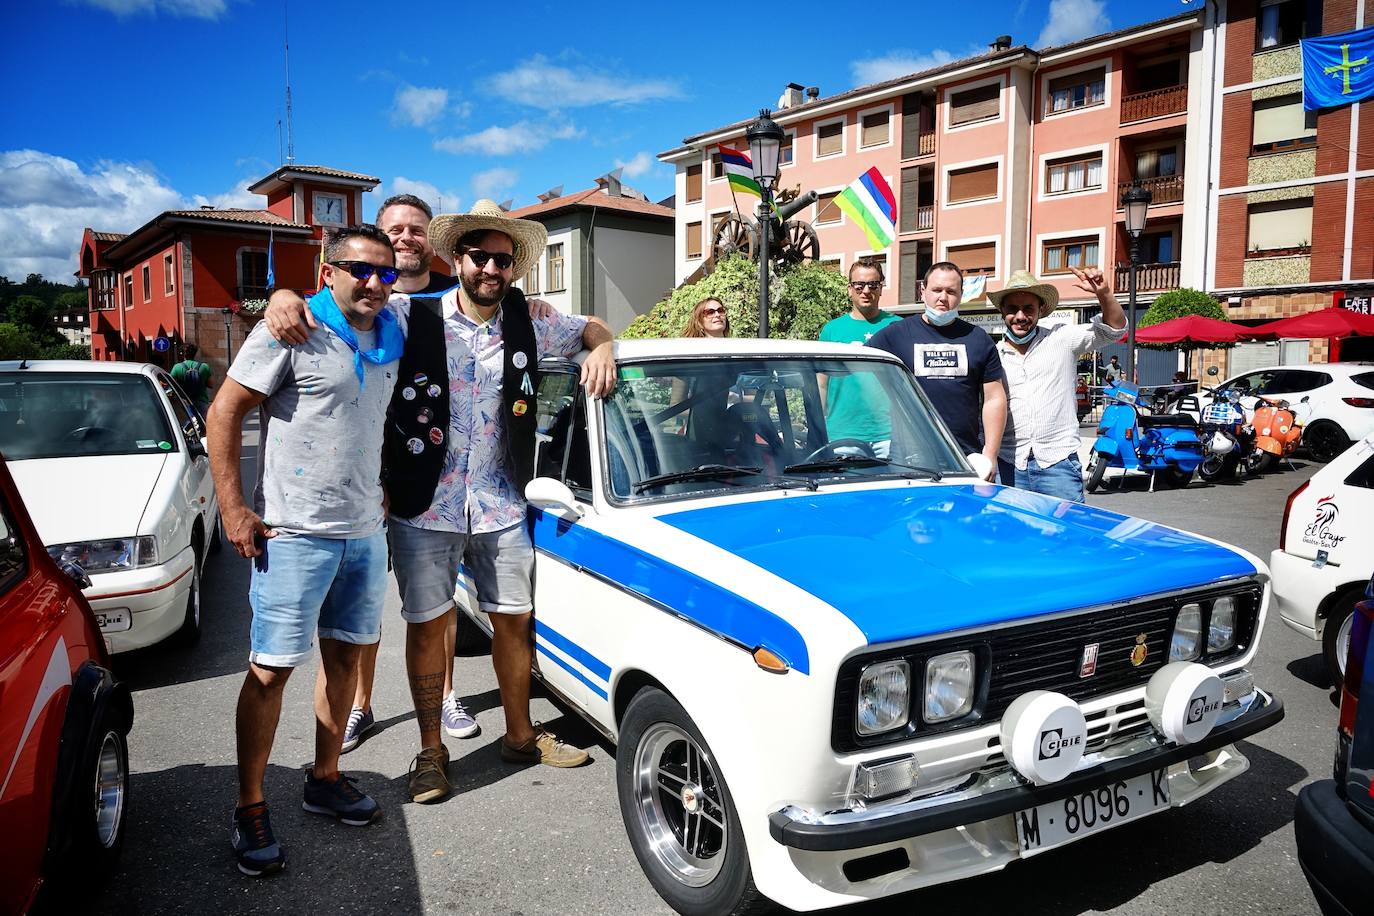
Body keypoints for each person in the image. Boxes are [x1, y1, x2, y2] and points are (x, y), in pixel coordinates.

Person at [267, 200, 616, 805]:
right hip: (424, 505)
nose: (491, 268)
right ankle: (431, 751)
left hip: (502, 500)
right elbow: (343, 306)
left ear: (514, 268)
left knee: (513, 621)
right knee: (428, 627)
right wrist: (281, 299)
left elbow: (591, 328)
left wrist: (605, 345)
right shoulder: (409, 314)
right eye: (480, 256)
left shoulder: (530, 320)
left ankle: (520, 735)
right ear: (457, 259)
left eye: (503, 260)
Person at [207, 225, 404, 877]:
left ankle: (325, 777)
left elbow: (463, 298)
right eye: (361, 270)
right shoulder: (290, 328)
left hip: (363, 534)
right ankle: (250, 806)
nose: (376, 282)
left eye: (387, 272)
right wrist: (234, 507)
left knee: (345, 659)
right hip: (293, 534)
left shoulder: (391, 331)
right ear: (329, 272)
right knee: (271, 669)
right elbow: (225, 413)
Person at [991, 266, 1126, 502]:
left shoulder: (1061, 338)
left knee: (1067, 536)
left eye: (1028, 308)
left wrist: (1103, 293)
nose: (1020, 316)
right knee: (1011, 537)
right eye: (1012, 309)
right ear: (1002, 310)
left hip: (1058, 465)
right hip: (1008, 464)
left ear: (1041, 310)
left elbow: (1114, 331)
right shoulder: (993, 355)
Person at [867, 262, 1005, 478]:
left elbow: (994, 399)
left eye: (951, 291)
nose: (943, 297)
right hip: (909, 458)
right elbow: (859, 365)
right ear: (923, 291)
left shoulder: (979, 339)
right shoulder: (894, 336)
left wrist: (990, 453)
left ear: (961, 295)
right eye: (937, 290)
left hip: (964, 456)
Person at [818, 258, 902, 456]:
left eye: (873, 285)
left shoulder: (898, 327)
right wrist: (818, 426)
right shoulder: (832, 330)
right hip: (842, 433)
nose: (866, 291)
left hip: (891, 435)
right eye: (859, 285)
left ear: (881, 288)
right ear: (849, 289)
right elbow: (821, 383)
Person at [171, 343, 213, 413]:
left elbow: (171, 384)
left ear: (182, 354)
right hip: (201, 401)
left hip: (184, 401)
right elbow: (211, 385)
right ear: (195, 353)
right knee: (202, 422)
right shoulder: (204, 366)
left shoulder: (177, 367)